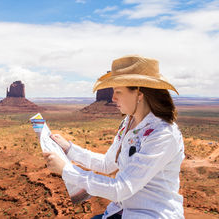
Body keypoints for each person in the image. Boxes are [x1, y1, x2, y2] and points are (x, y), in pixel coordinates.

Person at [43, 55, 185, 219]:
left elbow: (121, 188)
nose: (113, 98)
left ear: (139, 93)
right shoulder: (128, 123)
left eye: (118, 92)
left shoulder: (163, 135)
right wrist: (69, 149)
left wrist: (66, 170)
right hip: (120, 212)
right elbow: (107, 164)